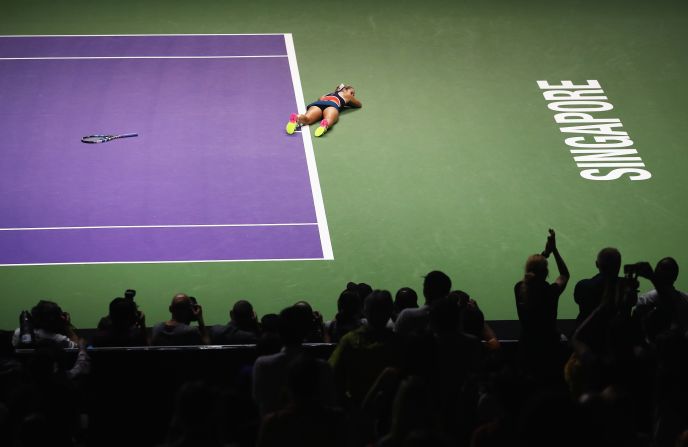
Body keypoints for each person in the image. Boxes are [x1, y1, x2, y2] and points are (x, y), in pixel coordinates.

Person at [514, 229, 569, 379]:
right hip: (549, 349)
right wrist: (553, 251)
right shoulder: (551, 291)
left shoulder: (519, 288)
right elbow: (564, 275)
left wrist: (545, 254)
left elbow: (531, 275)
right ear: (545, 274)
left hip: (526, 348)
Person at [285, 84, 362, 137]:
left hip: (317, 104)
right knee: (329, 119)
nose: (352, 95)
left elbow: (320, 99)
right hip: (332, 105)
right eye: (352, 92)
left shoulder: (326, 95)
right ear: (344, 89)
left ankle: (297, 118)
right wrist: (346, 101)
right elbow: (358, 105)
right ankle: (325, 124)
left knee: (307, 119)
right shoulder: (347, 95)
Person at [573, 247, 623, 329]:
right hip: (617, 336)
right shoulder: (627, 287)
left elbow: (577, 300)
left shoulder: (582, 286)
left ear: (597, 264)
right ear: (619, 265)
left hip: (586, 334)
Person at [395, 271, 452, 336]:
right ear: (447, 293)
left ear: (424, 290)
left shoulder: (407, 315)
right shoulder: (452, 317)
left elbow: (396, 340)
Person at [12, 300, 79, 349]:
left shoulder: (18, 333)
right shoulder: (58, 339)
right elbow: (77, 347)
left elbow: (14, 346)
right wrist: (67, 326)